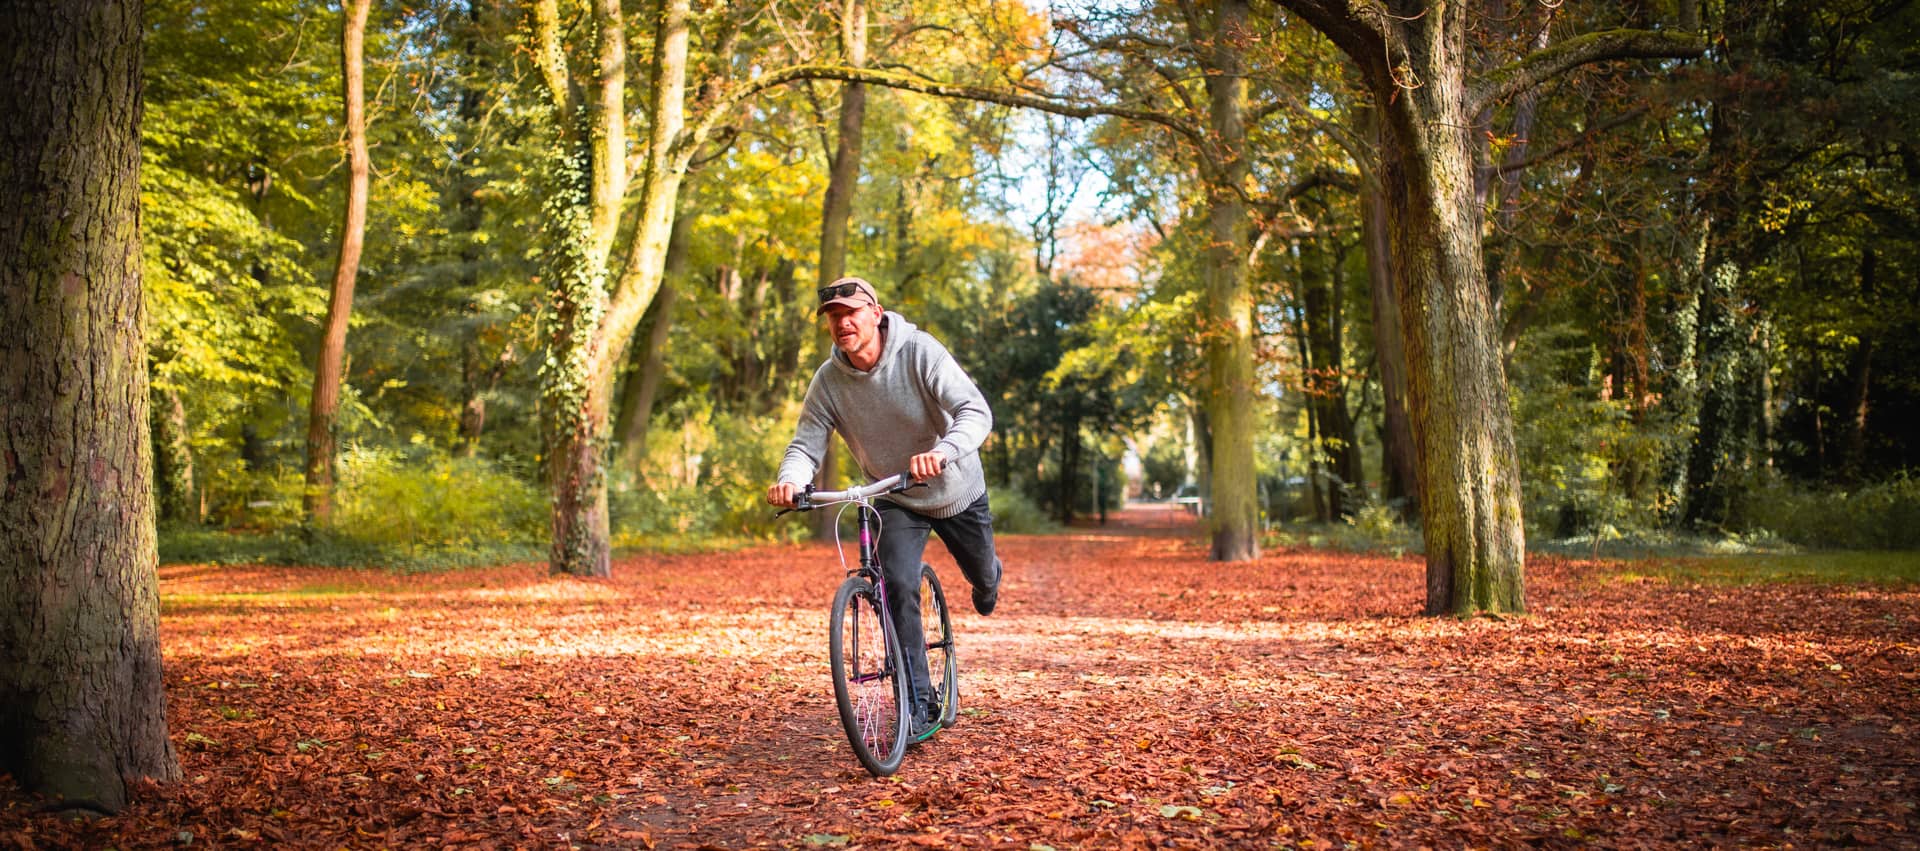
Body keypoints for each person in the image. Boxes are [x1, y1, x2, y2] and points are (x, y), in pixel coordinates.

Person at [768, 275, 1003, 740]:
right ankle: (918, 702)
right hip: (895, 494)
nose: (842, 323)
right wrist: (791, 478)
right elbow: (806, 443)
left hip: (954, 487)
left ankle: (988, 576)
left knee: (985, 577)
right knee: (896, 583)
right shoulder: (829, 381)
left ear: (875, 313)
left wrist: (945, 451)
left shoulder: (920, 351)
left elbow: (975, 411)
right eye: (834, 317)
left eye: (851, 313)